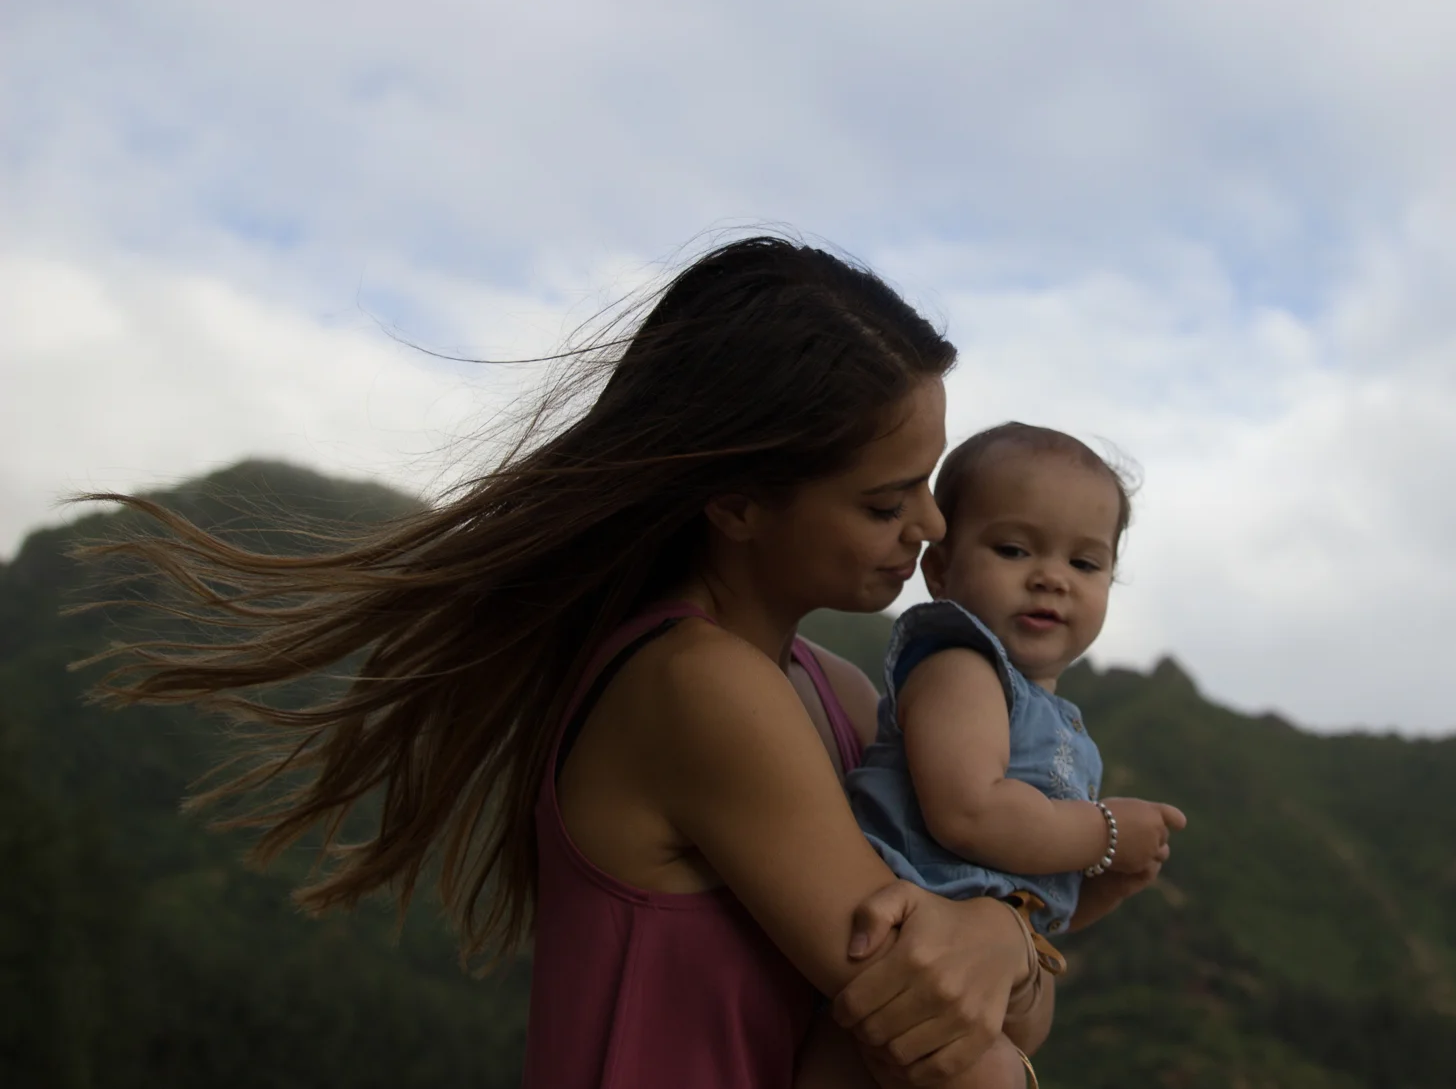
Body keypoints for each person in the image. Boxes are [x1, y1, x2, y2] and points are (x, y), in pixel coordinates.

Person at [80, 237, 1055, 1087]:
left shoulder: (834, 690)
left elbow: (999, 1004)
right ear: (736, 503)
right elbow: (938, 1022)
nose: (932, 526)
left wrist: (1003, 937)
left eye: (928, 485)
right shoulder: (698, 687)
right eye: (886, 501)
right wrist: (1012, 934)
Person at [796, 424, 1188, 1089]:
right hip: (900, 945)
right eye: (1013, 549)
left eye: (1085, 563)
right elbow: (969, 814)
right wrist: (1106, 832)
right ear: (940, 569)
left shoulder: (1057, 723)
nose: (1051, 578)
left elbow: (1031, 902)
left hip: (961, 966)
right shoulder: (962, 665)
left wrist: (1105, 881)